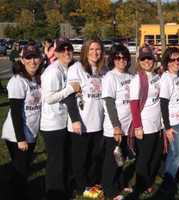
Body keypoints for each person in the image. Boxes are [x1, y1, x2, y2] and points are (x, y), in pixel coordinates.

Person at [40, 37, 81, 200]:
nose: (66, 52)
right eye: (62, 49)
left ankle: (62, 188)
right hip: (52, 124)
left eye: (68, 49)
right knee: (55, 162)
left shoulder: (66, 68)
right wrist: (70, 89)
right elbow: (49, 98)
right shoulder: (53, 71)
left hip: (62, 121)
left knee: (63, 158)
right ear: (55, 52)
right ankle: (53, 193)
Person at [1, 44, 43, 200]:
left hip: (30, 132)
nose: (33, 61)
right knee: (21, 170)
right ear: (22, 60)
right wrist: (21, 139)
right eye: (28, 58)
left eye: (35, 57)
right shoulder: (18, 81)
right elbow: (16, 112)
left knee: (22, 168)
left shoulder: (35, 79)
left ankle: (13, 191)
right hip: (17, 135)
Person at [66, 38, 105, 195]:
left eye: (98, 49)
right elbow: (69, 96)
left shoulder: (102, 70)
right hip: (81, 122)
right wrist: (75, 119)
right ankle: (81, 187)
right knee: (80, 158)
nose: (95, 53)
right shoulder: (77, 68)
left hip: (98, 122)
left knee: (95, 157)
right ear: (85, 51)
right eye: (91, 49)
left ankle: (91, 183)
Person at [126, 46, 163, 199]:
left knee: (156, 157)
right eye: (143, 59)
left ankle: (148, 182)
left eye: (149, 58)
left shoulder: (156, 76)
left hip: (157, 125)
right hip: (145, 126)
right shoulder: (137, 80)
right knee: (144, 158)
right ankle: (140, 186)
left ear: (154, 60)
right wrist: (138, 126)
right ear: (139, 61)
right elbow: (134, 104)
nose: (147, 61)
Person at [101, 44, 133, 199]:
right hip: (115, 128)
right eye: (118, 57)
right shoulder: (110, 77)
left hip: (128, 126)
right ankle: (109, 189)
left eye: (124, 57)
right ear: (113, 59)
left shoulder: (129, 76)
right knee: (112, 160)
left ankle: (120, 183)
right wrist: (116, 126)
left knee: (122, 158)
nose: (122, 60)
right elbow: (109, 102)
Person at [159, 47, 179, 193]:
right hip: (173, 123)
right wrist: (168, 127)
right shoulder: (166, 79)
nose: (176, 62)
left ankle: (167, 177)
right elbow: (163, 104)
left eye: (178, 59)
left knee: (173, 152)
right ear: (166, 62)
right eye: (172, 60)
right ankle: (168, 184)